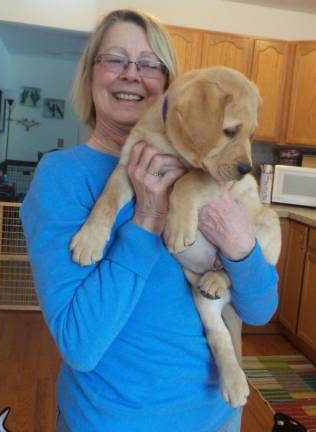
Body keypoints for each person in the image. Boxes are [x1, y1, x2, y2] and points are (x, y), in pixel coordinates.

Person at [20, 9, 278, 432]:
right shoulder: (61, 177)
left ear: (171, 83)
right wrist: (148, 217)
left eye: (149, 64)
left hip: (216, 418)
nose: (132, 75)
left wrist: (240, 248)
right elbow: (80, 345)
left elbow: (261, 311)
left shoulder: (208, 169)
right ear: (90, 73)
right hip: (113, 421)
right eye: (116, 59)